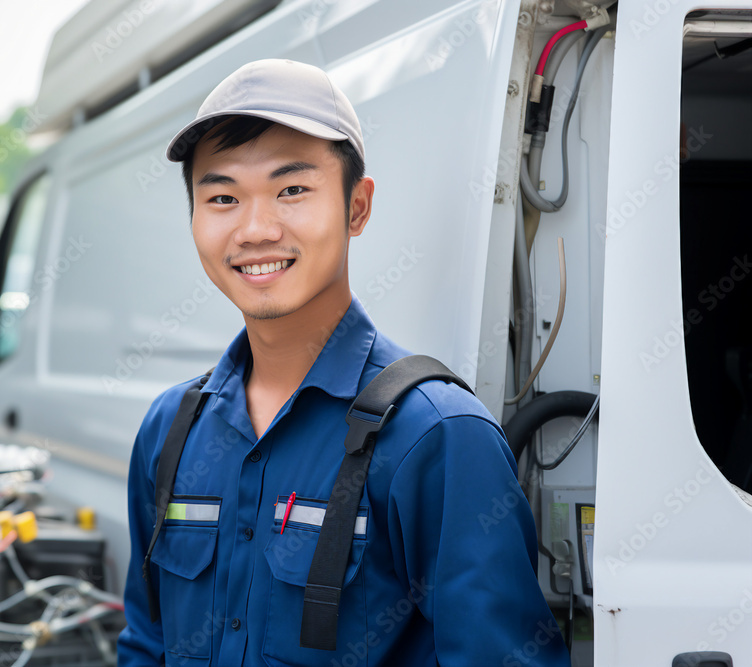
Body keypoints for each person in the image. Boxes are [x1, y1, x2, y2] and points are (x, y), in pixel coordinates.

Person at [117, 58, 571, 667]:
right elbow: (146, 644)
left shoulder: (434, 435)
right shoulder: (171, 431)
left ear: (357, 207)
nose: (255, 229)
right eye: (222, 196)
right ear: (194, 218)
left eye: (292, 190)